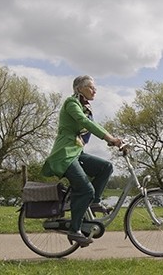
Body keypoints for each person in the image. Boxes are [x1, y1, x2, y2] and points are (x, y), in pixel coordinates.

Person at [41, 75, 122, 247]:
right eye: (91, 87)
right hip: (64, 155)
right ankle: (75, 230)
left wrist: (111, 140)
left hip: (76, 152)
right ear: (79, 89)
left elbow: (93, 125)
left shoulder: (85, 107)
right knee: (85, 189)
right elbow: (84, 122)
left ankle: (94, 202)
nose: (95, 90)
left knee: (106, 167)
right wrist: (109, 138)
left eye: (94, 87)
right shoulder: (71, 104)